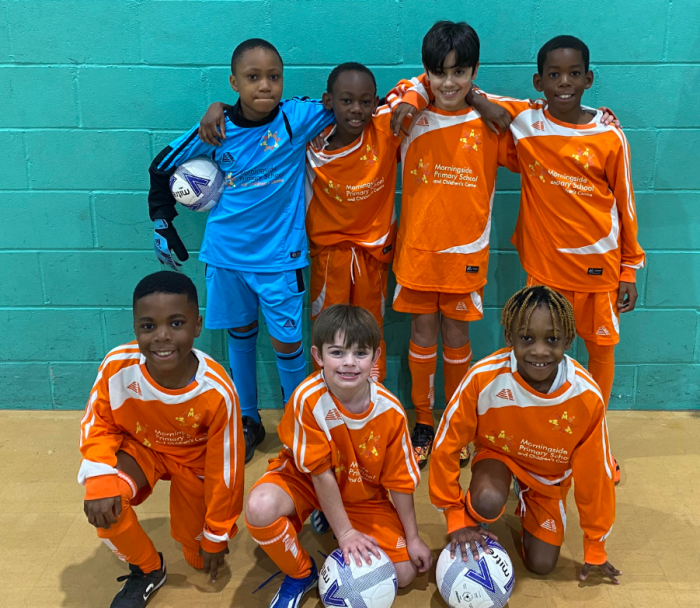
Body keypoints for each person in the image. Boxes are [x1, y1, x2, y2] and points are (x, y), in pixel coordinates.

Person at [464, 35, 645, 483]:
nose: (564, 82)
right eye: (554, 74)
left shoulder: (609, 135)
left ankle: (594, 442)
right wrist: (473, 97)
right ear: (538, 81)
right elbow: (474, 94)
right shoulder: (527, 122)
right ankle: (532, 437)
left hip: (599, 271)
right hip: (544, 272)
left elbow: (626, 205)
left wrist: (629, 267)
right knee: (532, 353)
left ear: (589, 79)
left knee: (600, 356)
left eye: (573, 74)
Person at [148, 38, 334, 462]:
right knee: (241, 336)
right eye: (253, 77)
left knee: (289, 345)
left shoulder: (296, 118)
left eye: (274, 77)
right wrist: (162, 221)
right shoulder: (216, 130)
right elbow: (161, 166)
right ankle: (248, 420)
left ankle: (297, 424)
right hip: (227, 258)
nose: (265, 86)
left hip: (280, 261)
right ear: (234, 82)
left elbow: (352, 103)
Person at [385, 21, 517, 468]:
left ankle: (457, 422)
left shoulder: (493, 118)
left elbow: (547, 114)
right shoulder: (408, 114)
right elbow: (395, 94)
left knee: (457, 337)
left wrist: (480, 99)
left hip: (466, 256)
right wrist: (416, 94)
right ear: (426, 71)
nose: (448, 82)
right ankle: (425, 421)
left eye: (459, 72)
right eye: (438, 72)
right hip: (418, 253)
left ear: (475, 71)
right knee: (421, 335)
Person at [244, 304, 432, 608]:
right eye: (337, 352)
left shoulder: (391, 411)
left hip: (361, 495)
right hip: (306, 481)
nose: (349, 362)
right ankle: (301, 573)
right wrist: (345, 533)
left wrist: (413, 538)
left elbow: (400, 482)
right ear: (318, 356)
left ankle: (331, 514)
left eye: (360, 353)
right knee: (259, 507)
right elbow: (319, 474)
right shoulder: (307, 399)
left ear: (376, 356)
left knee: (405, 573)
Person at [429, 285, 620, 584]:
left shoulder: (586, 396)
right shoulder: (484, 378)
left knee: (542, 565)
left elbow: (596, 474)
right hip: (499, 457)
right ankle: (481, 512)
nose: (539, 351)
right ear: (509, 337)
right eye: (527, 338)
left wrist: (595, 544)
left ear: (569, 340)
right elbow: (446, 445)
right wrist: (455, 515)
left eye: (552, 339)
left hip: (548, 477)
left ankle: (527, 497)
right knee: (487, 499)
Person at [78, 271, 245, 608]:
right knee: (105, 506)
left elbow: (226, 469)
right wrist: (98, 479)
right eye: (148, 326)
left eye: (176, 323)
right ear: (135, 328)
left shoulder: (217, 391)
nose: (162, 336)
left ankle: (196, 533)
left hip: (195, 462)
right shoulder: (117, 366)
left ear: (197, 326)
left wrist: (217, 531)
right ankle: (148, 569)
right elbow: (98, 422)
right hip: (143, 449)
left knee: (199, 557)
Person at [306, 62, 404, 384]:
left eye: (365, 101)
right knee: (327, 330)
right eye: (346, 100)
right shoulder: (310, 140)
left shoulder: (386, 130)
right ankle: (324, 395)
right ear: (328, 101)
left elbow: (414, 87)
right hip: (329, 253)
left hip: (372, 254)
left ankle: (373, 395)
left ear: (375, 102)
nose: (356, 109)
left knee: (370, 329)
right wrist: (220, 107)